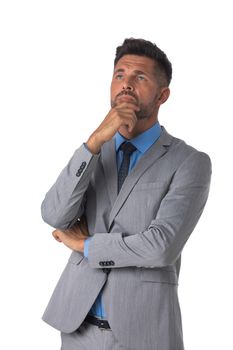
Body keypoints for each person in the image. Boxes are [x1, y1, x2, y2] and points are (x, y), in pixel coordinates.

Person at [41, 38, 212, 350]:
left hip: (145, 333)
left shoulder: (189, 162)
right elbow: (54, 216)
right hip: (78, 328)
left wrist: (86, 245)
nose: (127, 84)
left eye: (140, 77)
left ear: (163, 95)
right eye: (120, 75)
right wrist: (93, 142)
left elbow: (160, 246)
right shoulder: (93, 153)